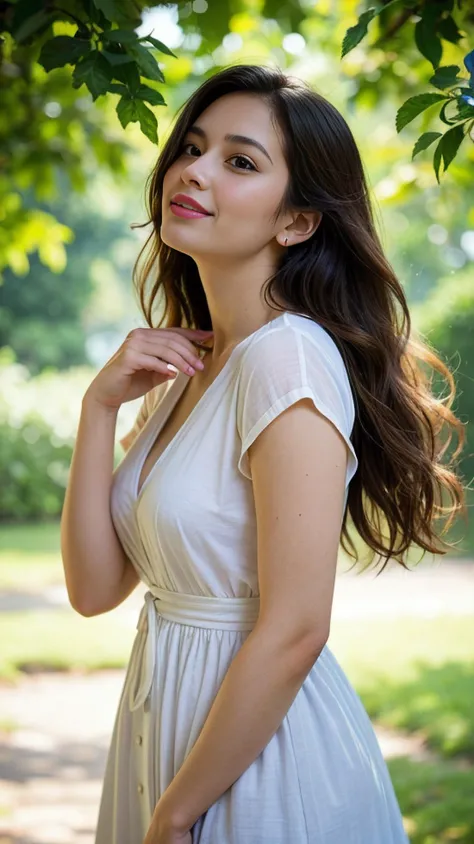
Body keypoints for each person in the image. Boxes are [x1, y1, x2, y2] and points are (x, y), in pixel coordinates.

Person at [60, 64, 467, 844]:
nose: (195, 170)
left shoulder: (289, 360)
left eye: (240, 162)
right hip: (169, 728)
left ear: (298, 222)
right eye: (194, 146)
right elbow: (94, 587)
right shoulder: (188, 369)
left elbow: (296, 627)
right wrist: (98, 407)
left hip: (259, 763)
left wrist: (179, 813)